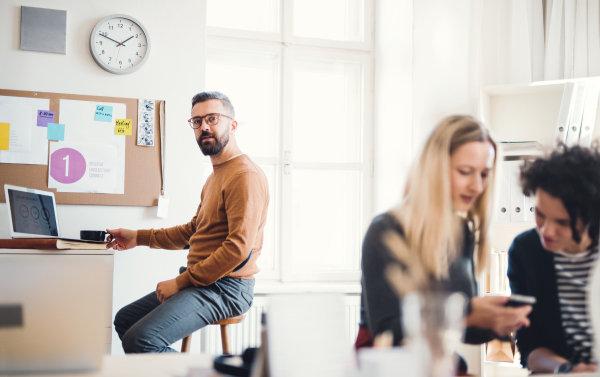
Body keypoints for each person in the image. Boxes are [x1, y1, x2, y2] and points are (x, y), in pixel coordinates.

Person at [107, 91, 269, 353]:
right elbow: (193, 231)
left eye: (213, 118)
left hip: (227, 288)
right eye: (197, 121)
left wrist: (181, 282)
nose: (204, 126)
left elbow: (238, 249)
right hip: (203, 282)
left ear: (233, 125)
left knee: (141, 340)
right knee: (126, 320)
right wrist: (137, 237)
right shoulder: (216, 176)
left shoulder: (244, 176)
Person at [356, 115, 532, 351]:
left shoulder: (462, 233)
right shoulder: (386, 230)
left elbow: (465, 331)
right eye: (465, 171)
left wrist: (494, 321)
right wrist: (468, 314)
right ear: (434, 170)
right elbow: (387, 335)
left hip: (436, 364)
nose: (477, 187)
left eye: (483, 174)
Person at [508, 145, 600, 374]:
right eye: (540, 214)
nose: (546, 232)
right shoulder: (525, 251)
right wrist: (567, 369)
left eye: (562, 222)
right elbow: (529, 344)